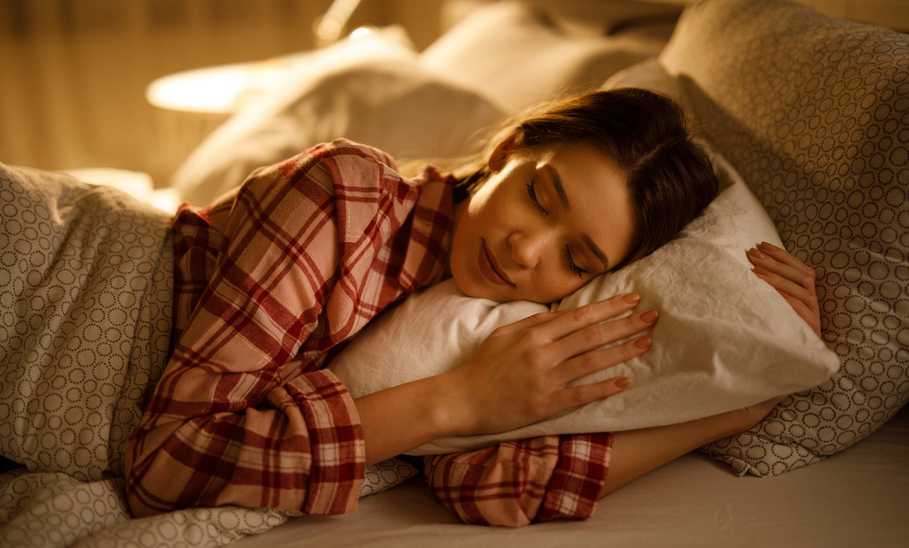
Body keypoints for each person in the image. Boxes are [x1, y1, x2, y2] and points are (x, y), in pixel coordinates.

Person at [124, 88, 821, 525]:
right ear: (507, 152)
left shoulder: (504, 323)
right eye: (539, 197)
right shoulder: (348, 196)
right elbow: (165, 467)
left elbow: (500, 487)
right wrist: (458, 400)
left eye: (575, 260)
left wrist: (742, 398)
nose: (524, 252)